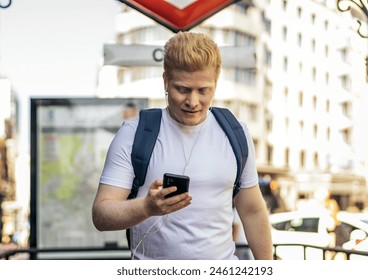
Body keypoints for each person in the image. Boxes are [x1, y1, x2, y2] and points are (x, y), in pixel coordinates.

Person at [92, 32, 273, 260]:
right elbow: (101, 214)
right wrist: (147, 207)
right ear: (166, 81)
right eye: (183, 89)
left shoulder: (236, 134)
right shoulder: (134, 134)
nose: (193, 102)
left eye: (203, 90)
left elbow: (253, 211)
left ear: (215, 84)